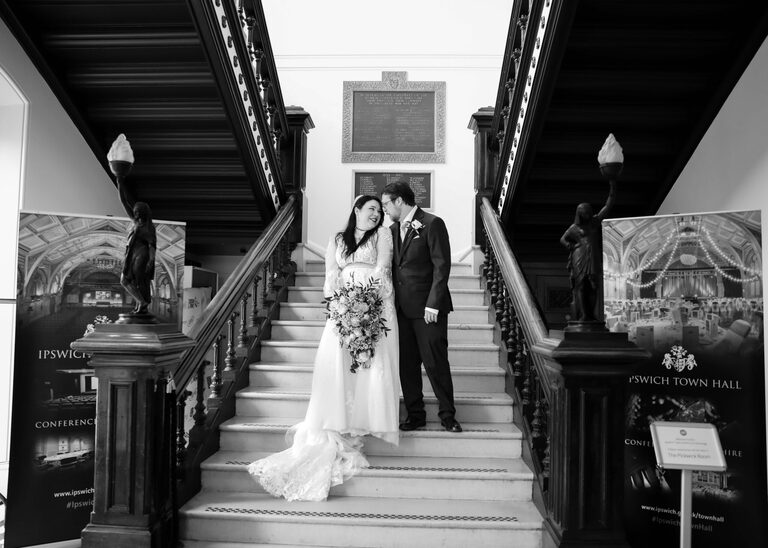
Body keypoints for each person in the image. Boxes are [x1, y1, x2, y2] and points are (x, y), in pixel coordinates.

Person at [248, 195, 399, 501]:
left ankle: (366, 418)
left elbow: (383, 269)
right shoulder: (336, 239)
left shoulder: (383, 234)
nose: (376, 214)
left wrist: (367, 304)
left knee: (371, 363)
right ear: (356, 209)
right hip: (343, 308)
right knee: (337, 363)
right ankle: (338, 418)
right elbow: (331, 274)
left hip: (375, 305)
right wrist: (342, 304)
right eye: (371, 209)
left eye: (379, 211)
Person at [381, 181, 461, 433]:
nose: (384, 209)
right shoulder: (391, 230)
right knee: (408, 366)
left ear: (399, 201)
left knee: (435, 362)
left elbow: (441, 266)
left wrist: (433, 305)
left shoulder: (432, 223)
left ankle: (448, 414)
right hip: (401, 310)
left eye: (386, 204)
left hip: (429, 310)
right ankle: (416, 414)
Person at [560, 180, 616, 323]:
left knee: (594, 285)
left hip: (594, 256)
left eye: (588, 212)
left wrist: (612, 187)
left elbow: (607, 206)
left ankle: (592, 314)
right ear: (579, 214)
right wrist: (571, 247)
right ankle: (584, 315)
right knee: (581, 286)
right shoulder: (574, 228)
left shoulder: (595, 222)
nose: (586, 214)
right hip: (579, 256)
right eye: (584, 213)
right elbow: (563, 239)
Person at [118, 178, 156, 314]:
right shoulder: (135, 222)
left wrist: (151, 261)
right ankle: (141, 302)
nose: (136, 213)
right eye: (136, 211)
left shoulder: (149, 227)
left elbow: (152, 246)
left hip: (142, 256)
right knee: (127, 280)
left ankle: (142, 302)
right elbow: (124, 201)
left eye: (139, 211)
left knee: (133, 280)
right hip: (132, 255)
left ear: (144, 212)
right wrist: (119, 181)